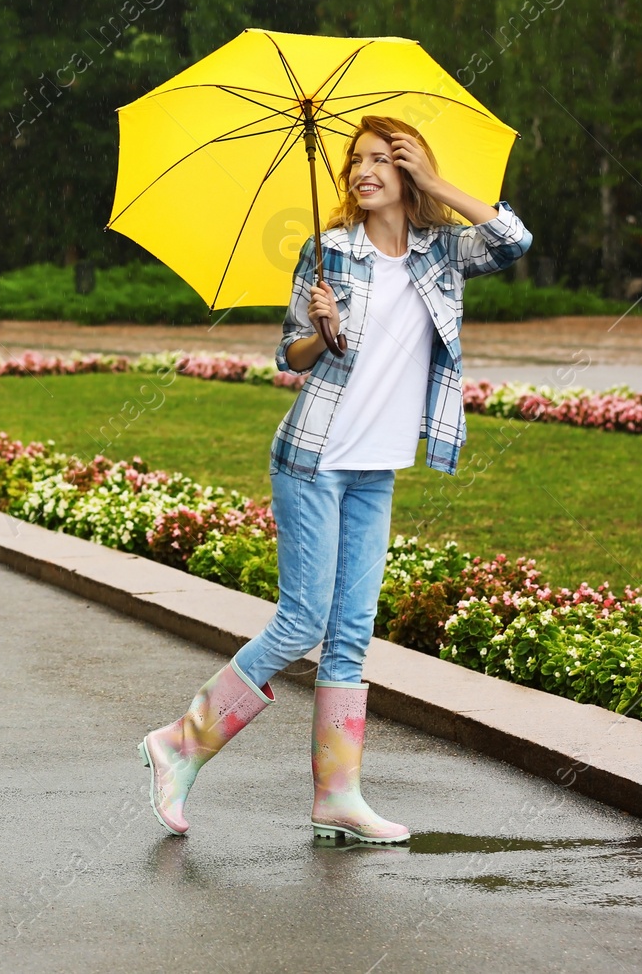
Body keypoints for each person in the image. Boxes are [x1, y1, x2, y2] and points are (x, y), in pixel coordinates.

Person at [137, 114, 533, 845]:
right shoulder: (328, 252)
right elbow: (290, 354)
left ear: (409, 169)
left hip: (374, 468)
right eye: (357, 160)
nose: (364, 171)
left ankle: (338, 797)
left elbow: (514, 239)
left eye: (383, 159)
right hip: (313, 460)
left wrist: (438, 185)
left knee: (350, 635)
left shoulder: (441, 253)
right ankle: (178, 746)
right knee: (302, 620)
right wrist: (323, 329)